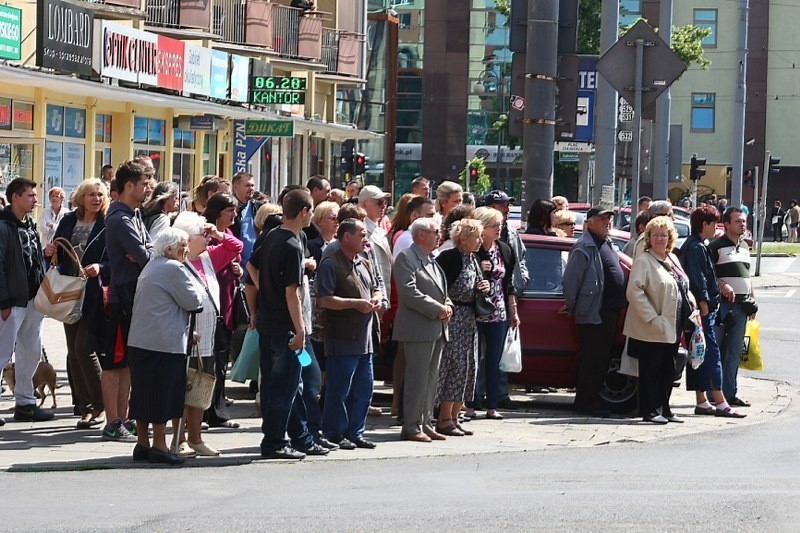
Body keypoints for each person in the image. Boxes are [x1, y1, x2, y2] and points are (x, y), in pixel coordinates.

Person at [247, 189, 329, 459]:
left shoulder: (272, 236)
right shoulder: (291, 244)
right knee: (286, 386)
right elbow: (291, 292)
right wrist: (301, 330)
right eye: (311, 210)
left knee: (289, 383)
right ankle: (274, 442)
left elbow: (252, 266)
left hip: (271, 325)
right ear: (304, 212)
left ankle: (300, 437)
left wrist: (264, 295)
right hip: (288, 330)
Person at [127, 228, 204, 464]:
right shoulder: (173, 267)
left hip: (141, 339)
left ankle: (143, 443)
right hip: (164, 342)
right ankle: (159, 445)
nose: (187, 249)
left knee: (142, 392)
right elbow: (195, 300)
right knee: (163, 392)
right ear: (169, 248)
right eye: (182, 245)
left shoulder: (151, 265)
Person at [47, 179, 108, 429]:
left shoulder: (107, 223)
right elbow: (57, 250)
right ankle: (84, 407)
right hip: (69, 289)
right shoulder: (69, 220)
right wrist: (50, 250)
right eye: (91, 194)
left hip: (93, 293)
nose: (96, 199)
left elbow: (115, 257)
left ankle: (101, 405)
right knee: (73, 352)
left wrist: (102, 267)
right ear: (81, 197)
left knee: (85, 348)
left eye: (100, 194)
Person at [317, 219, 381, 449]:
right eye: (361, 235)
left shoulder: (364, 262)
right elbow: (324, 299)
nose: (365, 239)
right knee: (339, 389)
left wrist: (377, 297)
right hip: (342, 337)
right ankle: (334, 432)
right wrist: (355, 303)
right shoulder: (330, 263)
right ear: (346, 237)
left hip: (365, 339)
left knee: (364, 388)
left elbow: (376, 286)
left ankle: (356, 431)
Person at [103, 161, 154, 441]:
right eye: (144, 184)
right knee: (115, 362)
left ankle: (122, 418)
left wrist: (146, 251)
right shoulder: (120, 219)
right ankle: (113, 422)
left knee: (126, 363)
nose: (148, 189)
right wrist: (145, 252)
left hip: (134, 295)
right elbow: (147, 256)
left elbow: (150, 250)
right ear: (129, 186)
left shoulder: (134, 215)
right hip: (122, 295)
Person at [624, 217, 692, 424]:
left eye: (664, 235)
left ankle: (665, 409)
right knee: (650, 371)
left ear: (670, 237)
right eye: (655, 235)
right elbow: (634, 292)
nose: (660, 239)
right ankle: (650, 411)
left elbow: (682, 285)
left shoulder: (672, 258)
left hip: (673, 326)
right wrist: (653, 318)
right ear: (648, 238)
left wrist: (692, 303)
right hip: (651, 327)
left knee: (668, 371)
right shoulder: (644, 260)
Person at [681, 206, 746, 418]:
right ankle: (719, 401)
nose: (715, 227)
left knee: (698, 352)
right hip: (703, 309)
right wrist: (704, 304)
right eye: (713, 223)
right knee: (711, 353)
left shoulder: (698, 244)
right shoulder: (696, 247)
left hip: (700, 309)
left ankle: (702, 401)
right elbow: (698, 278)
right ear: (704, 224)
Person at [562, 207, 627, 418]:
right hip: (593, 312)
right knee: (593, 360)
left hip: (609, 312)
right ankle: (585, 402)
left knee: (601, 359)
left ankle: (592, 399)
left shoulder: (606, 242)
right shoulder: (583, 247)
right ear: (589, 222)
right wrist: (576, 307)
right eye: (602, 219)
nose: (607, 222)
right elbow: (571, 283)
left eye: (609, 218)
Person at [393, 217, 453, 442]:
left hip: (436, 327)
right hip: (417, 328)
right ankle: (411, 426)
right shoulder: (407, 258)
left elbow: (441, 289)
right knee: (417, 378)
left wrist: (447, 304)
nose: (439, 235)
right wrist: (437, 308)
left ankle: (426, 422)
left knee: (431, 378)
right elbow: (409, 292)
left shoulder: (431, 259)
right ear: (420, 234)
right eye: (435, 231)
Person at [0, 178, 51, 423]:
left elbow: (31, 260)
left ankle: (26, 402)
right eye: (30, 195)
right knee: (1, 353)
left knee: (31, 351)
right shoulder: (3, 226)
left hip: (33, 299)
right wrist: (4, 302)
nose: (35, 199)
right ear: (15, 198)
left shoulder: (29, 223)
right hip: (11, 301)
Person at [465, 207, 518, 420]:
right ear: (482, 228)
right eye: (494, 225)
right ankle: (469, 404)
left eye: (500, 225)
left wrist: (513, 311)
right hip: (475, 312)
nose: (499, 228)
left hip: (499, 312)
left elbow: (509, 283)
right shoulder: (473, 250)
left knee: (496, 360)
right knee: (473, 359)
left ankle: (492, 405)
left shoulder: (504, 249)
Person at [435, 219, 488, 436]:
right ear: (463, 238)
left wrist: (483, 286)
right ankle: (444, 418)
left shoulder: (473, 259)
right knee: (454, 367)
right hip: (454, 319)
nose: (480, 241)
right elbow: (440, 286)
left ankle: (456, 416)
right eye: (477, 236)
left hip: (469, 321)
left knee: (468, 367)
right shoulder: (450, 257)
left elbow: (474, 285)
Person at [201, 192, 244, 428]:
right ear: (218, 212)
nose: (235, 215)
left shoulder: (226, 234)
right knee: (208, 364)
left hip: (227, 304)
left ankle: (218, 411)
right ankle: (204, 412)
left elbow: (236, 254)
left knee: (220, 363)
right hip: (211, 306)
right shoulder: (208, 236)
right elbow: (236, 248)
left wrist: (237, 271)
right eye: (231, 210)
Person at [709, 207, 756, 407]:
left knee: (735, 352)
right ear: (726, 224)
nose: (742, 224)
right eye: (738, 221)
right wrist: (721, 285)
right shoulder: (716, 246)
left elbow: (747, 276)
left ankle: (730, 392)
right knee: (717, 350)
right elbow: (708, 275)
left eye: (744, 221)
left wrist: (753, 299)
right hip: (722, 305)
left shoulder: (745, 247)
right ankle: (714, 395)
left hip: (742, 306)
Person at [358, 185, 392, 310]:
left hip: (381, 298)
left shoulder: (378, 229)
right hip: (371, 300)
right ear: (364, 204)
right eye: (379, 202)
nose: (383, 206)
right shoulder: (361, 231)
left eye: (385, 202)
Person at [230, 172, 262, 267]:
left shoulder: (258, 207)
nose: (251, 188)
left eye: (252, 185)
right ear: (236, 187)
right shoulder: (228, 208)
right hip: (236, 266)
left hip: (255, 266)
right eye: (247, 185)